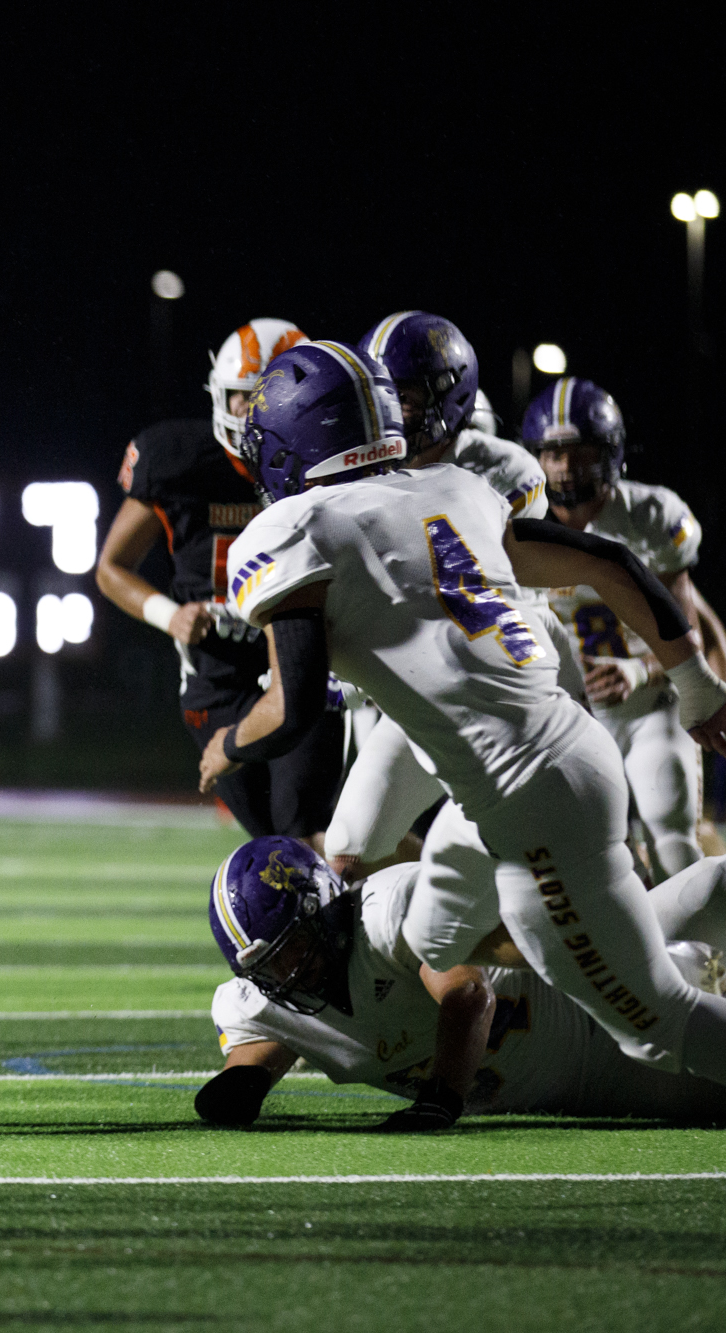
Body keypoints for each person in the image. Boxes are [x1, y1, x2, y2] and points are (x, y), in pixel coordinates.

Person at [203, 338, 726, 1092]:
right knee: (427, 931)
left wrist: (226, 741)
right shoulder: (456, 486)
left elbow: (289, 710)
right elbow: (614, 566)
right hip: (554, 753)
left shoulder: (292, 532)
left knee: (653, 1024)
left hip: (527, 795)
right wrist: (696, 683)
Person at [198, 837, 726, 1128]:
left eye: (294, 950)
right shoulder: (260, 997)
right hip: (602, 1073)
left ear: (324, 908)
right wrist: (237, 1090)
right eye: (267, 968)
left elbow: (468, 994)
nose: (288, 974)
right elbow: (260, 1048)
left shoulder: (384, 913)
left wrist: (441, 1099)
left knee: (711, 883)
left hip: (586, 986)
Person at [322, 312, 571, 882]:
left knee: (536, 856)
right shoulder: (365, 464)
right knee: (352, 852)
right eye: (379, 396)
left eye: (401, 397)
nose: (387, 414)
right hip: (417, 684)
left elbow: (465, 590)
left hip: (500, 680)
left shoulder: (502, 469)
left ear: (448, 396)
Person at [96, 319, 344, 839]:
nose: (246, 414)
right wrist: (170, 615)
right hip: (218, 677)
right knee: (274, 843)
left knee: (307, 832)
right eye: (238, 398)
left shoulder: (330, 462)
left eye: (262, 398)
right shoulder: (178, 459)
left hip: (300, 664)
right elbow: (111, 567)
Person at [527, 377, 726, 880]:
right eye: (552, 452)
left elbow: (691, 634)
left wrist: (636, 671)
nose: (565, 466)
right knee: (573, 860)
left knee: (671, 838)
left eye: (580, 451)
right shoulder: (521, 523)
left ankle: (698, 958)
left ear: (610, 452)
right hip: (567, 719)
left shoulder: (648, 517)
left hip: (650, 708)